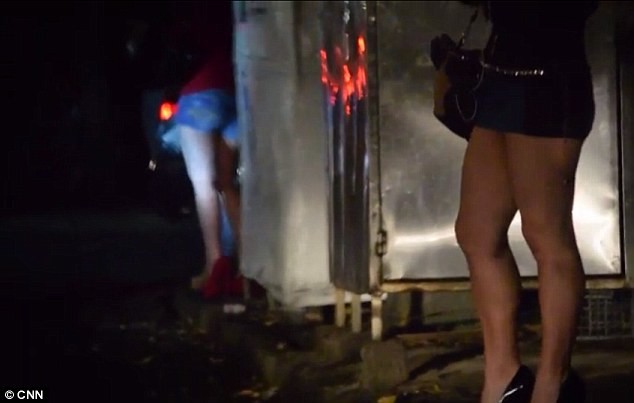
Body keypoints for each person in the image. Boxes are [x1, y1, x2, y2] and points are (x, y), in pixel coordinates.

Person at [452, 2, 598, 403]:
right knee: (476, 232)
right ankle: (503, 376)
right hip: (499, 77)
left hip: (549, 79)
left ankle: (553, 383)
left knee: (546, 233)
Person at [166, 0, 243, 293]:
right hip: (238, 90)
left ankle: (214, 264)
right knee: (229, 183)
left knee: (204, 188)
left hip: (198, 94)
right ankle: (242, 264)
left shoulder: (195, 13)